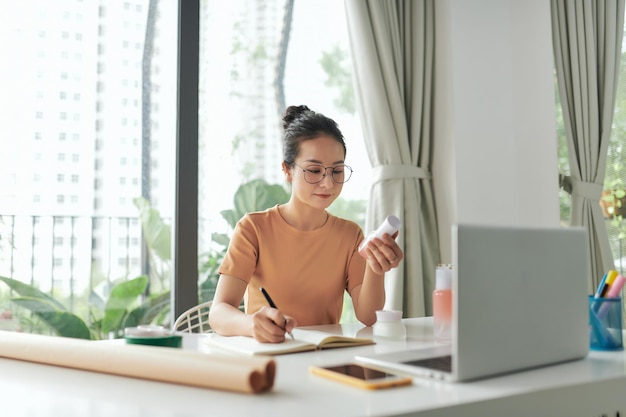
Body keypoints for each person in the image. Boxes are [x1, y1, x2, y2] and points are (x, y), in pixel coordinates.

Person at [208, 105, 403, 343]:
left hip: (326, 360)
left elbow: (368, 316)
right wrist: (251, 325)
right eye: (314, 170)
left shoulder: (350, 234)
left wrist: (375, 266)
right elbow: (218, 313)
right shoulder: (253, 229)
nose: (328, 183)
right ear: (287, 170)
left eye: (337, 171)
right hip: (269, 357)